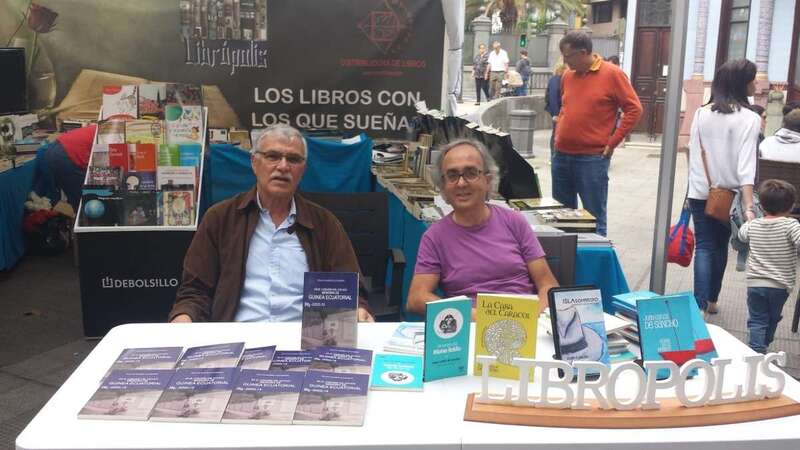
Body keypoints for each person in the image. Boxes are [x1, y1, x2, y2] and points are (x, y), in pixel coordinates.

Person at [169, 124, 374, 323]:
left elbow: (350, 291)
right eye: (273, 156)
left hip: (304, 341)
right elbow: (195, 291)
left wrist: (359, 310)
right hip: (240, 337)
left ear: (303, 169)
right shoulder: (220, 219)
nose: (283, 166)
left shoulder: (324, 224)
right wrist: (184, 317)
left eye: (293, 159)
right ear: (254, 163)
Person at [406, 139, 559, 316]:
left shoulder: (514, 221)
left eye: (471, 173)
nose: (461, 183)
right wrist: (474, 317)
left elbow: (548, 285)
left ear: (488, 181)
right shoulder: (434, 237)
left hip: (525, 324)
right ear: (443, 187)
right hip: (472, 328)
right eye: (452, 175)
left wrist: (535, 316)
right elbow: (416, 298)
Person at [687, 58, 760, 314]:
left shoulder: (701, 113)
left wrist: (690, 190)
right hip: (729, 197)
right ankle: (710, 301)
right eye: (752, 78)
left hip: (700, 191)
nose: (756, 83)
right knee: (718, 247)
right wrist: (750, 206)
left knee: (705, 246)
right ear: (742, 83)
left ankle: (701, 303)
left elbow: (693, 153)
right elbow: (746, 166)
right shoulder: (750, 119)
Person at [553, 31, 643, 236]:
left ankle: (595, 263)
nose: (564, 61)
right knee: (561, 217)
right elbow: (566, 107)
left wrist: (613, 142)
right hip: (561, 155)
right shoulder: (567, 76)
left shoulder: (613, 74)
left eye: (567, 56)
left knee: (594, 218)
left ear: (583, 52)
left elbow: (634, 109)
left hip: (592, 158)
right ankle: (567, 264)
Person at [737, 179, 800, 353]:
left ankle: (758, 348)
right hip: (780, 286)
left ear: (762, 206)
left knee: (757, 319)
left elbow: (742, 236)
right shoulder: (791, 225)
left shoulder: (754, 225)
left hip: (756, 284)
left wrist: (749, 219)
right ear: (791, 206)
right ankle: (760, 348)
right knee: (773, 317)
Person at [39, 124, 97, 212]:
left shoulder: (106, 127)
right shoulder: (114, 133)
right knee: (84, 200)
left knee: (79, 198)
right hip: (66, 154)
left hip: (56, 148)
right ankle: (86, 221)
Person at [544, 60, 566, 160]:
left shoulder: (559, 79)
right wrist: (555, 114)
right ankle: (554, 155)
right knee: (556, 133)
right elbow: (553, 97)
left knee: (558, 133)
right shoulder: (556, 80)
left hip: (560, 111)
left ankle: (555, 155)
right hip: (558, 111)